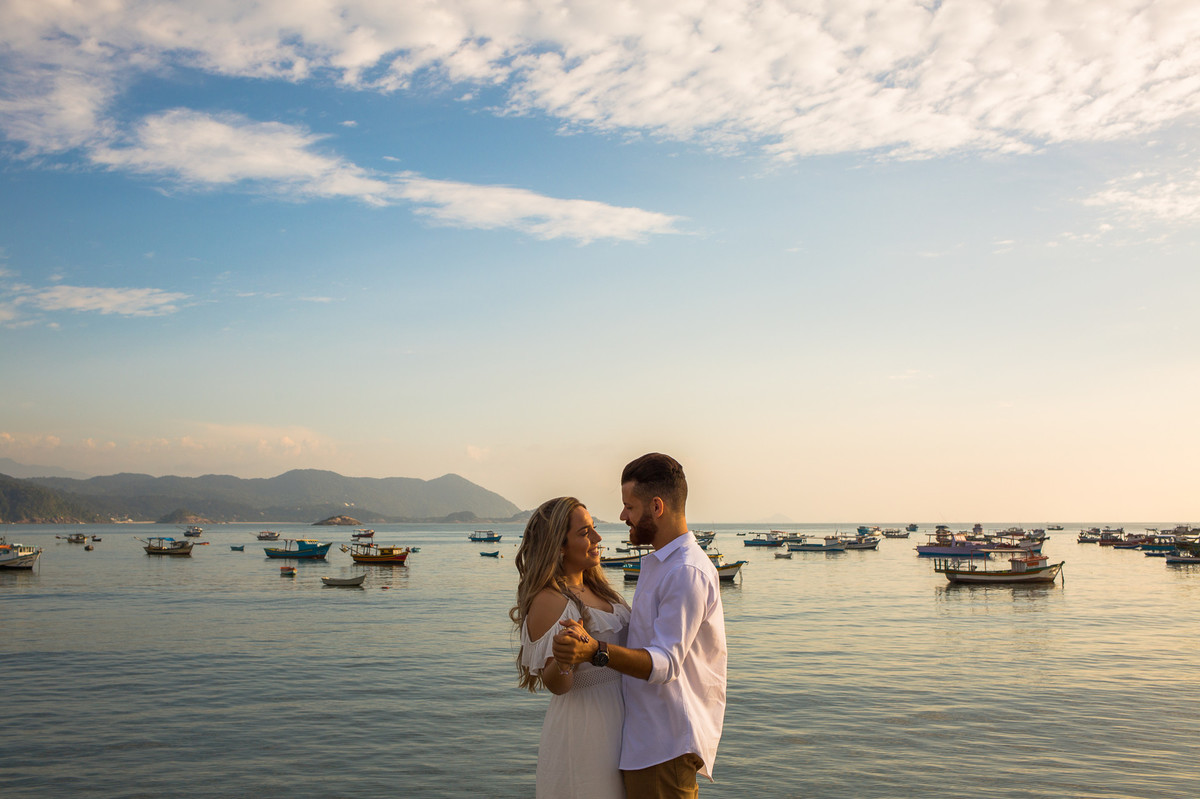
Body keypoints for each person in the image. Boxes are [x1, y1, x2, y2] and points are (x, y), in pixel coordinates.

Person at [553, 453, 727, 799]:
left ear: (657, 507)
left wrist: (595, 650)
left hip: (664, 745)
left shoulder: (685, 571)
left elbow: (665, 663)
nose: (623, 516)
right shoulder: (660, 564)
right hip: (647, 743)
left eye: (629, 507)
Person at [511, 496, 632, 799]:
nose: (597, 538)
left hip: (624, 724)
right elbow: (557, 685)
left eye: (594, 528)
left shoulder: (603, 591)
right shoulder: (549, 600)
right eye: (584, 533)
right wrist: (565, 661)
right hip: (586, 731)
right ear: (560, 546)